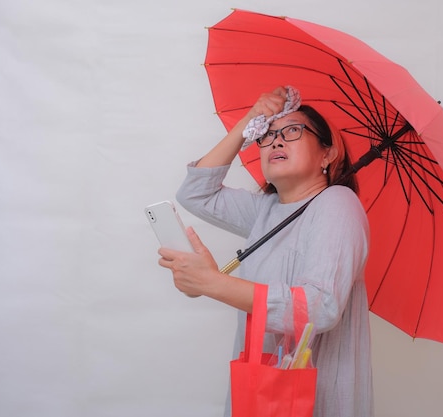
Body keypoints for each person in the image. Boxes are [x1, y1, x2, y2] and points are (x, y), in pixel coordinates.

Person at [158, 86, 373, 417]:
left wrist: (211, 283)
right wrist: (249, 120)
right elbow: (194, 193)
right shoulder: (266, 210)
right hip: (261, 395)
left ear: (327, 154)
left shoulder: (337, 203)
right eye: (267, 134)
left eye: (293, 131)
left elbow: (322, 308)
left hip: (313, 399)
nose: (276, 140)